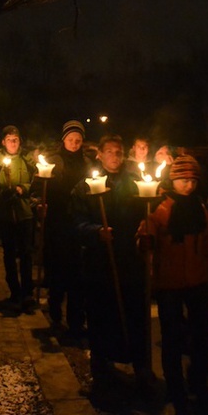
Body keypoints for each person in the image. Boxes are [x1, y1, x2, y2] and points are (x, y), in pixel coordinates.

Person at [137, 155, 208, 415]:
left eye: (193, 180)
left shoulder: (200, 208)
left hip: (197, 280)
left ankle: (198, 380)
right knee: (172, 337)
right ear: (173, 180)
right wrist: (144, 241)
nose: (189, 186)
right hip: (169, 283)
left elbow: (207, 238)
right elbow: (144, 238)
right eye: (184, 180)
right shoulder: (160, 208)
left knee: (202, 334)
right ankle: (175, 387)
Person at [70, 134, 153, 395]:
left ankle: (141, 367)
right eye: (110, 152)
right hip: (100, 264)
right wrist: (96, 232)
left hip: (129, 262)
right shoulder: (84, 187)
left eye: (119, 152)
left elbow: (146, 211)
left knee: (135, 315)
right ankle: (101, 371)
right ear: (100, 155)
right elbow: (76, 223)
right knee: (101, 317)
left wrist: (147, 224)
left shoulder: (133, 183)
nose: (115, 157)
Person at [39, 120, 93, 336]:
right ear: (64, 140)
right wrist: (40, 203)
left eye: (78, 140)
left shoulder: (88, 162)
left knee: (78, 274)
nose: (75, 143)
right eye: (71, 139)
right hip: (58, 222)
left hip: (79, 221)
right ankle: (55, 313)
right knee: (59, 271)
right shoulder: (53, 161)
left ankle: (76, 320)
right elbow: (39, 189)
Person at [0, 125, 37, 312]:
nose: (13, 142)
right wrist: (5, 194)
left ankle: (27, 293)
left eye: (16, 139)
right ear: (3, 142)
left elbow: (36, 181)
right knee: (9, 254)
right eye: (9, 139)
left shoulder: (27, 160)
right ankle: (14, 291)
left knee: (26, 253)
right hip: (7, 215)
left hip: (25, 213)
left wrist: (22, 189)